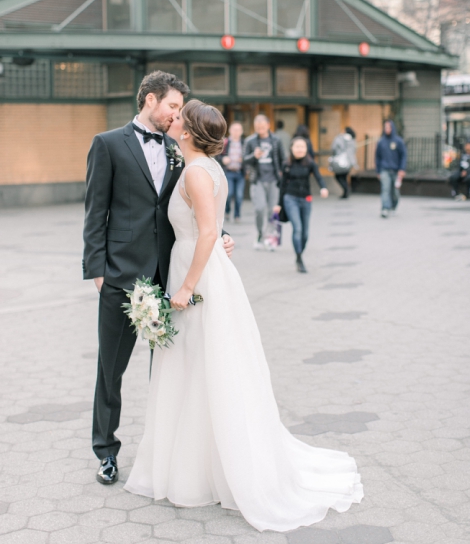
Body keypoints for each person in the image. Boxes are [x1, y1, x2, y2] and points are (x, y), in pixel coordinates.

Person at [123, 100, 362, 530]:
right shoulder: (206, 167)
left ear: (190, 132)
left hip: (197, 274)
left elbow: (209, 230)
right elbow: (210, 228)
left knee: (202, 365)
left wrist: (187, 286)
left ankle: (204, 470)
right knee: (201, 366)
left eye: (179, 117)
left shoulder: (196, 173)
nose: (172, 120)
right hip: (204, 265)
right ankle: (198, 463)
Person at [82, 72, 235, 486]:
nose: (176, 114)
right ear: (150, 100)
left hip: (169, 281)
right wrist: (97, 272)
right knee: (110, 369)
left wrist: (219, 234)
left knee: (166, 371)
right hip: (119, 278)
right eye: (172, 106)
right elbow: (96, 213)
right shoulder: (108, 144)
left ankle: (161, 451)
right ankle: (106, 452)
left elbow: (192, 208)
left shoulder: (177, 149)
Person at [273, 138, 328, 273]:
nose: (300, 149)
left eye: (302, 147)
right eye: (297, 146)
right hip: (290, 199)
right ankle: (299, 257)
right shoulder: (287, 164)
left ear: (306, 149)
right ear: (292, 148)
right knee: (297, 228)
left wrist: (323, 188)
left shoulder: (310, 163)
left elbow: (318, 176)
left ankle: (300, 252)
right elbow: (282, 186)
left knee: (305, 233)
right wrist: (278, 204)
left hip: (306, 199)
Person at [243, 115, 284, 249]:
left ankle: (270, 238)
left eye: (262, 126)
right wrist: (253, 156)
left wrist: (282, 173)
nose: (260, 128)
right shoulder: (250, 141)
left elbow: (282, 158)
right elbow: (244, 160)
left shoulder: (276, 140)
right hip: (258, 180)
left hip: (273, 180)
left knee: (272, 211)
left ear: (268, 125)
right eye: (257, 126)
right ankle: (260, 233)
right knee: (259, 208)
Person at [374, 119, 406, 218]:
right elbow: (377, 157)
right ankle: (385, 208)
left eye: (389, 127)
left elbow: (403, 155)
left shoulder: (398, 141)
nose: (387, 129)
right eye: (385, 127)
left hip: (396, 170)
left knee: (395, 192)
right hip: (384, 170)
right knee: (385, 189)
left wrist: (402, 169)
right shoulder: (381, 142)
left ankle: (393, 206)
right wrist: (378, 170)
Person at [219, 122, 245, 223]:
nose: (236, 132)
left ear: (241, 132)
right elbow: (218, 155)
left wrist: (244, 160)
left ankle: (237, 215)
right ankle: (227, 211)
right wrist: (223, 159)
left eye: (238, 130)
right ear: (230, 131)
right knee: (229, 194)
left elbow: (248, 156)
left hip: (240, 172)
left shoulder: (244, 143)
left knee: (239, 195)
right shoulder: (225, 142)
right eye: (234, 130)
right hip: (228, 172)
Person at [329, 127, 358, 199]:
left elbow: (333, 148)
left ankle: (346, 190)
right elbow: (353, 151)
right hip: (349, 162)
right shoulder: (352, 140)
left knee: (338, 176)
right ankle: (345, 192)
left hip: (340, 161)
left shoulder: (339, 138)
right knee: (344, 177)